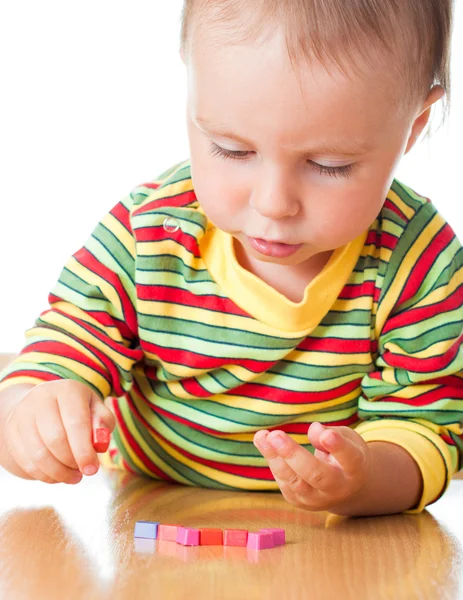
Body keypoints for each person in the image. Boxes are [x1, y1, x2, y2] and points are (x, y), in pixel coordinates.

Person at [0, 0, 461, 517]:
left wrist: (365, 480)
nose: (272, 203)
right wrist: (30, 416)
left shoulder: (420, 263)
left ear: (413, 125)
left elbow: (427, 427)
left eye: (330, 165)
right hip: (149, 512)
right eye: (232, 150)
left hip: (325, 538)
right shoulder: (150, 233)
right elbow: (60, 352)